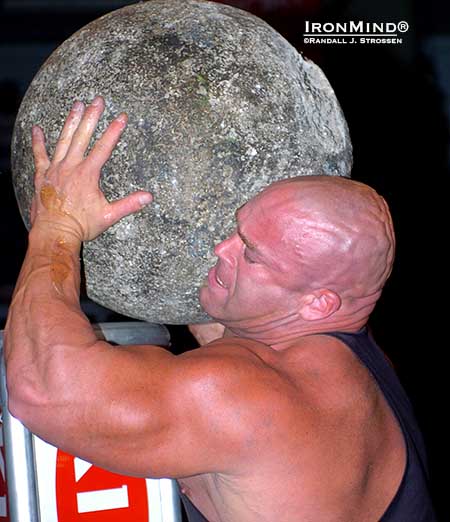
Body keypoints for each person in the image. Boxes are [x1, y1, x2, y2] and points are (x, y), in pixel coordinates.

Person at [4, 97, 435, 521]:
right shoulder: (341, 357)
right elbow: (228, 334)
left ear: (318, 302)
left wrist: (57, 225)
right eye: (237, 228)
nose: (220, 248)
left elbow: (43, 389)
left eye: (250, 254)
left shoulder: (254, 397)